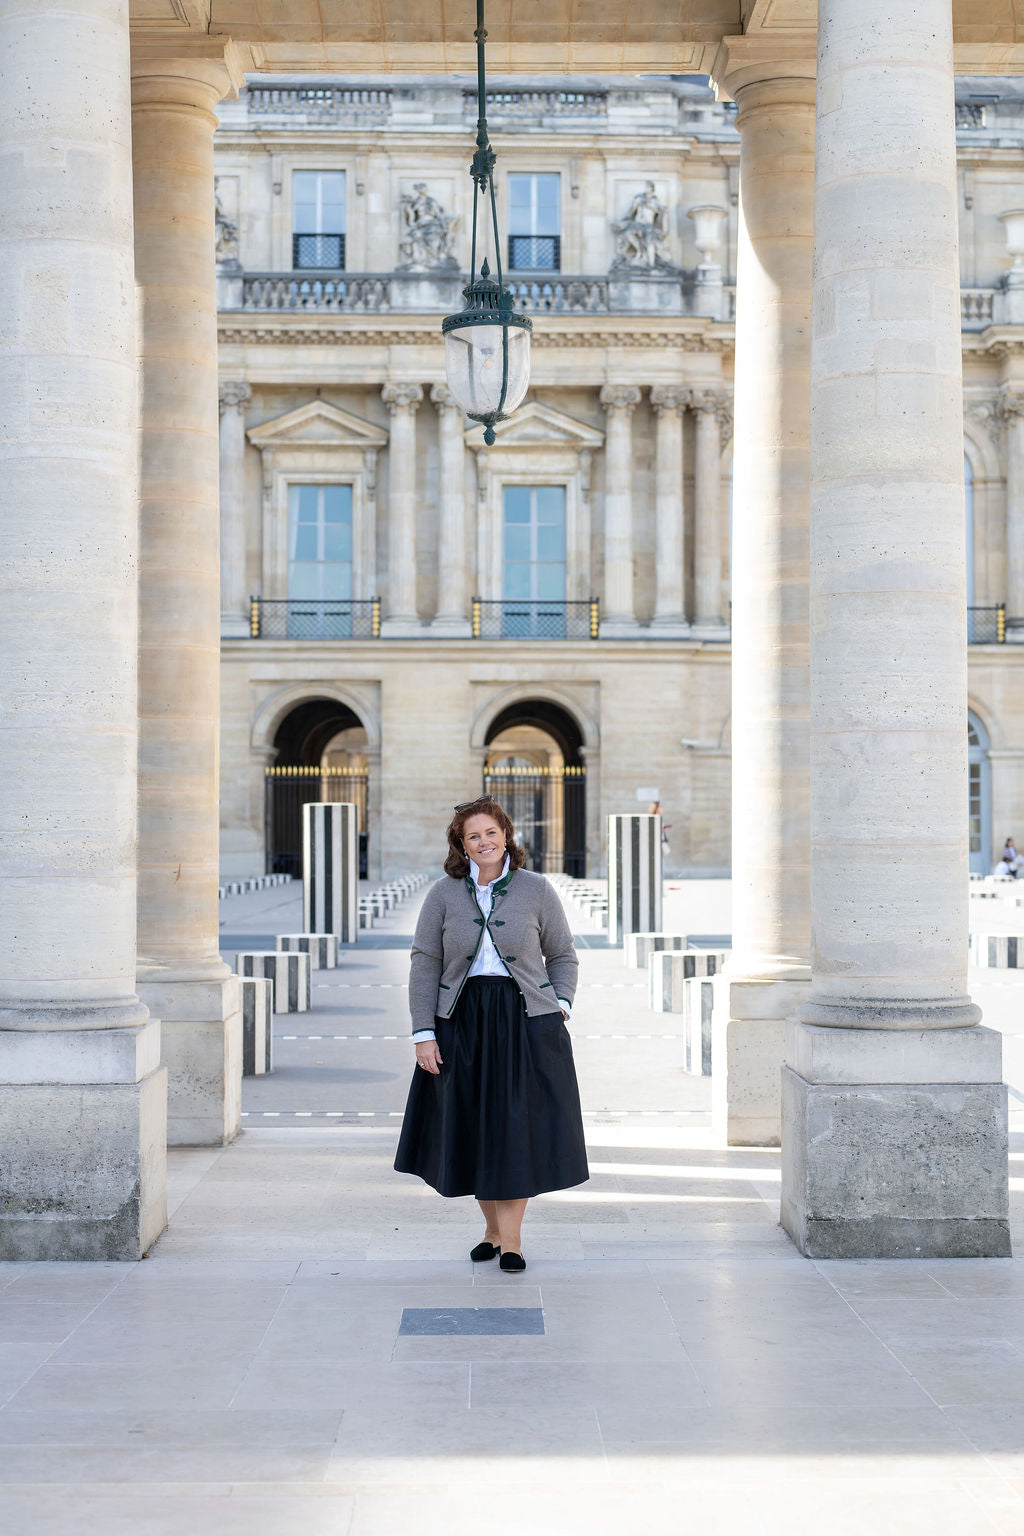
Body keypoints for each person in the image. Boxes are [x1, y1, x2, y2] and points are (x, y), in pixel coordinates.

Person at [393, 795, 588, 1272]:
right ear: (461, 844)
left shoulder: (537, 889)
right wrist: (423, 1032)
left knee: (515, 1127)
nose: (483, 842)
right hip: (459, 1022)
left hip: (523, 1020)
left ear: (506, 835)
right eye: (472, 836)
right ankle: (492, 1231)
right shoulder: (443, 894)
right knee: (471, 1125)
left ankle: (514, 1241)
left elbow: (562, 954)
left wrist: (559, 1006)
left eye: (490, 833)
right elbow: (425, 962)